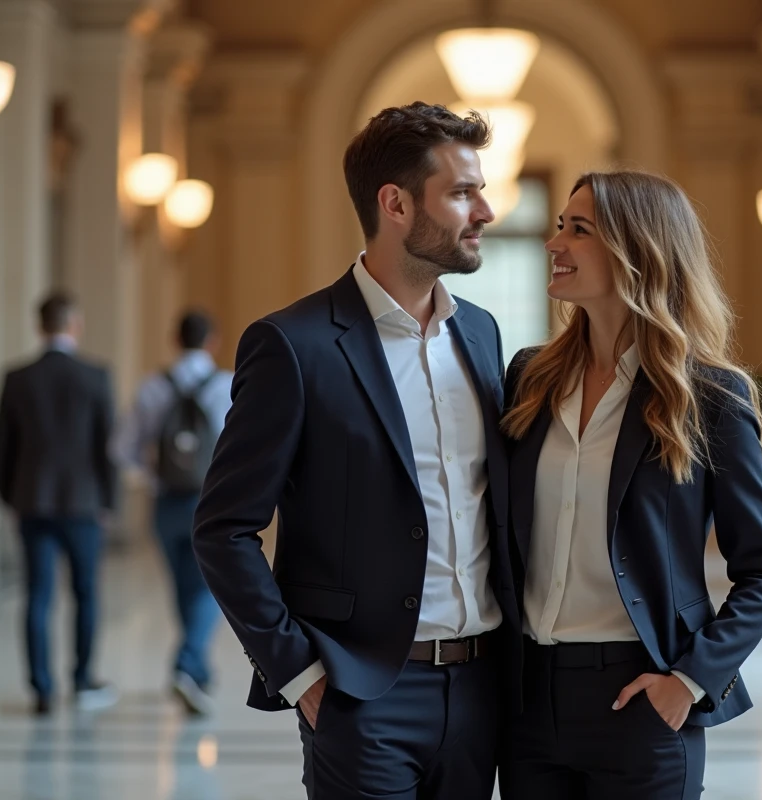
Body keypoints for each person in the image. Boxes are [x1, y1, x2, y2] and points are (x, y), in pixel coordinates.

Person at [192, 102, 522, 799]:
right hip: (362, 694)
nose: (486, 210)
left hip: (483, 688)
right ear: (395, 203)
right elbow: (224, 528)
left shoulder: (484, 337)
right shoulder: (295, 345)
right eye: (463, 192)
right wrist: (301, 675)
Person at [498, 170, 762, 800]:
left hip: (643, 695)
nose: (556, 244)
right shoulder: (529, 379)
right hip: (527, 700)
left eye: (579, 231)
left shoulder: (709, 395)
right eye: (558, 227)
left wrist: (688, 681)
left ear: (638, 251)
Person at [0, 292, 119, 715]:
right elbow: (106, 448)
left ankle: (42, 689)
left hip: (33, 504)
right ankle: (82, 682)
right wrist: (108, 500)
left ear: (38, 326)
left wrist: (11, 496)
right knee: (86, 595)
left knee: (38, 597)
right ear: (75, 324)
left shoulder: (17, 377)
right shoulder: (96, 375)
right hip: (84, 505)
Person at [113, 310, 232, 715]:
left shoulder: (152, 388)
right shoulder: (226, 386)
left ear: (174, 339)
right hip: (210, 501)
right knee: (210, 588)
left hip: (165, 504)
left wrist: (154, 476)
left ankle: (195, 669)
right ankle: (187, 664)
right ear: (211, 341)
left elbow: (122, 451)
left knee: (184, 587)